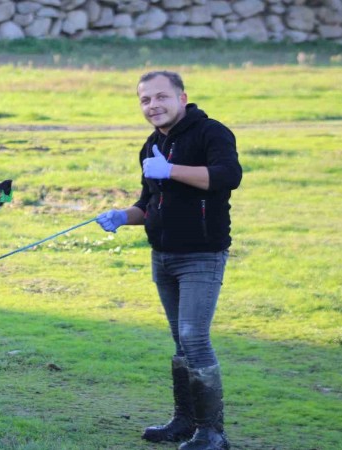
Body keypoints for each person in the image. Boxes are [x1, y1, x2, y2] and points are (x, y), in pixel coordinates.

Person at [97, 71, 241, 450]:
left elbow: (229, 176)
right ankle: (184, 422)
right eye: (145, 100)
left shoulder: (211, 132)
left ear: (182, 97)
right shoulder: (151, 145)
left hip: (201, 255)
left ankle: (213, 433)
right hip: (163, 257)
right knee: (181, 341)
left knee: (194, 336)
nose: (153, 106)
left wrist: (171, 170)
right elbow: (148, 203)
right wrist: (121, 216)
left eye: (161, 97)